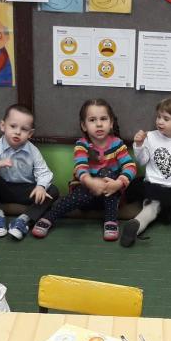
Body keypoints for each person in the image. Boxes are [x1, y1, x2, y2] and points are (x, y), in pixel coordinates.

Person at [32, 99, 136, 242]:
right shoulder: (82, 145)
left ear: (111, 123)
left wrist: (118, 183)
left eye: (103, 119)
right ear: (84, 126)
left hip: (110, 196)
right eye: (92, 120)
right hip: (85, 197)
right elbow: (80, 167)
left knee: (107, 173)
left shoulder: (117, 144)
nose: (99, 124)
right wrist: (90, 182)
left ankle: (111, 220)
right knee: (84, 189)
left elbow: (130, 166)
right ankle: (50, 216)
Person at [122, 97, 171, 250]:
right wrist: (139, 144)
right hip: (155, 186)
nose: (160, 121)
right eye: (158, 117)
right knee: (150, 209)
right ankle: (133, 227)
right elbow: (142, 161)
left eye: (166, 118)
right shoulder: (150, 137)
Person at [0, 104, 59, 240]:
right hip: (2, 190)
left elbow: (45, 173)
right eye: (13, 126)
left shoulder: (32, 151)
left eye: (24, 129)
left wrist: (41, 186)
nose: (17, 132)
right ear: (3, 126)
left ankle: (23, 220)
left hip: (26, 191)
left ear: (30, 134)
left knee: (52, 190)